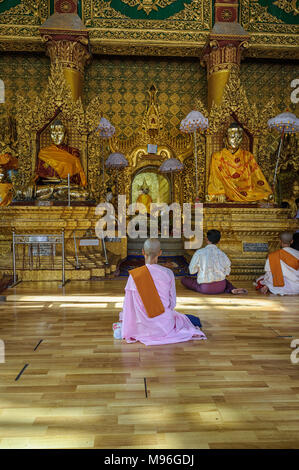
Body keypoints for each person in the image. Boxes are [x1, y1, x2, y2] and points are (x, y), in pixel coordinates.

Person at [114, 239, 206, 345]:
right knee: (191, 320)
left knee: (189, 319)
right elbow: (172, 304)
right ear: (160, 252)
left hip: (141, 327)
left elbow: (128, 305)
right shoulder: (168, 273)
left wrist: (123, 319)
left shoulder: (134, 276)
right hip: (164, 326)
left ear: (143, 252)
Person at [207, 122, 272, 203]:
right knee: (216, 197)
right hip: (227, 192)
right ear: (225, 138)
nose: (236, 140)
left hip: (247, 192)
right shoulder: (217, 156)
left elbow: (257, 177)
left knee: (267, 196)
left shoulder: (248, 156)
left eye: (239, 137)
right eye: (232, 137)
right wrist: (220, 192)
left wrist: (264, 192)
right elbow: (215, 179)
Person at [181, 229, 247, 295]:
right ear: (218, 241)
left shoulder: (199, 253)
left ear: (206, 239)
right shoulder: (222, 254)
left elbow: (192, 271)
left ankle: (229, 288)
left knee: (185, 280)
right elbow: (227, 271)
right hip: (221, 286)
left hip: (205, 288)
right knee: (225, 281)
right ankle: (231, 289)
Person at [256, 231, 299, 296]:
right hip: (297, 288)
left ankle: (267, 287)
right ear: (292, 241)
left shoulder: (273, 256)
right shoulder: (297, 254)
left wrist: (267, 285)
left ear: (280, 241)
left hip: (280, 288)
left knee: (260, 279)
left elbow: (269, 275)